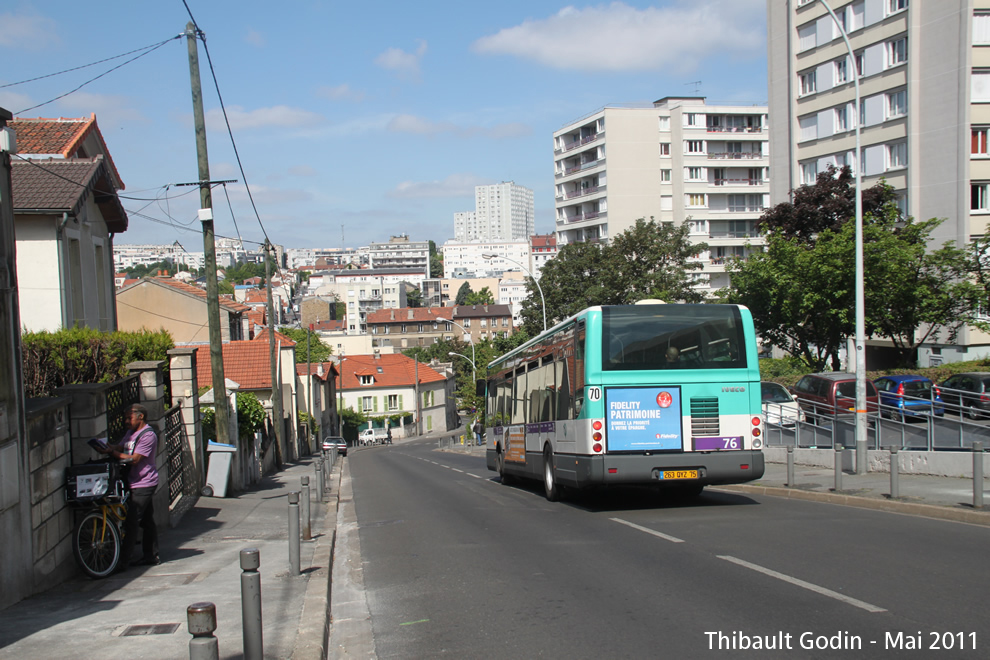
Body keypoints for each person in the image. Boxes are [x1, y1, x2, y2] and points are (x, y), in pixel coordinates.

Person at [99, 403, 160, 567]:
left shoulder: (148, 435)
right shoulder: (130, 433)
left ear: (140, 416)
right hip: (132, 481)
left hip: (144, 482)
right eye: (125, 418)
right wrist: (106, 447)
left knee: (132, 519)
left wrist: (112, 453)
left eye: (129, 418)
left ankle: (123, 560)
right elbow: (120, 447)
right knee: (146, 520)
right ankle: (151, 555)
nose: (126, 421)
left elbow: (135, 459)